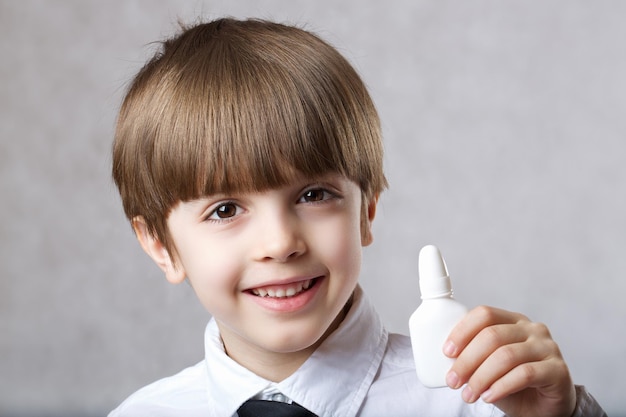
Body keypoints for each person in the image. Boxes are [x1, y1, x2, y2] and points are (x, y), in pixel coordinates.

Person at [108, 17, 606, 417]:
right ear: (160, 245)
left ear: (366, 210)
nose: (280, 243)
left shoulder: (478, 402)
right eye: (224, 209)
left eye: (314, 194)